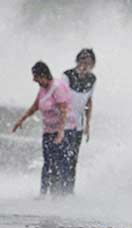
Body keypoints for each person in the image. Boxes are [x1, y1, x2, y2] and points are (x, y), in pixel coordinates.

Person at [12, 61, 77, 195]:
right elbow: (36, 106)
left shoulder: (57, 87)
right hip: (48, 131)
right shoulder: (43, 87)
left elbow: (63, 110)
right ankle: (43, 194)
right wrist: (21, 119)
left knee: (61, 163)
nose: (33, 79)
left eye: (35, 76)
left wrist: (60, 133)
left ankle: (62, 195)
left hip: (65, 130)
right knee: (47, 163)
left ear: (43, 75)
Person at [62, 48, 97, 192]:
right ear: (77, 61)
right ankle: (57, 190)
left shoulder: (92, 79)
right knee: (62, 158)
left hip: (78, 125)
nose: (85, 65)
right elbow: (61, 99)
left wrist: (88, 125)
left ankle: (69, 191)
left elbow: (89, 101)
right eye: (82, 61)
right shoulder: (67, 76)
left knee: (73, 160)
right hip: (63, 124)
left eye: (89, 62)